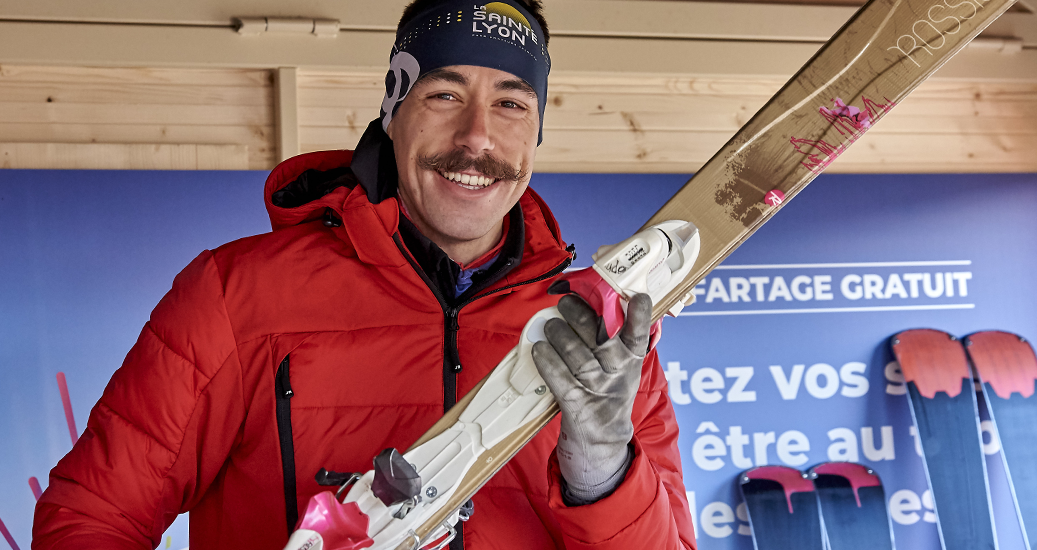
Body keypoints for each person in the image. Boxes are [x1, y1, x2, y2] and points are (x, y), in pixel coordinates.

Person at [32, 0, 695, 548]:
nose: (476, 139)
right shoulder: (236, 296)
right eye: (444, 94)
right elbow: (89, 518)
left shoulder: (594, 334)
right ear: (393, 110)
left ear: (537, 129)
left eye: (512, 104)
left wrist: (603, 479)